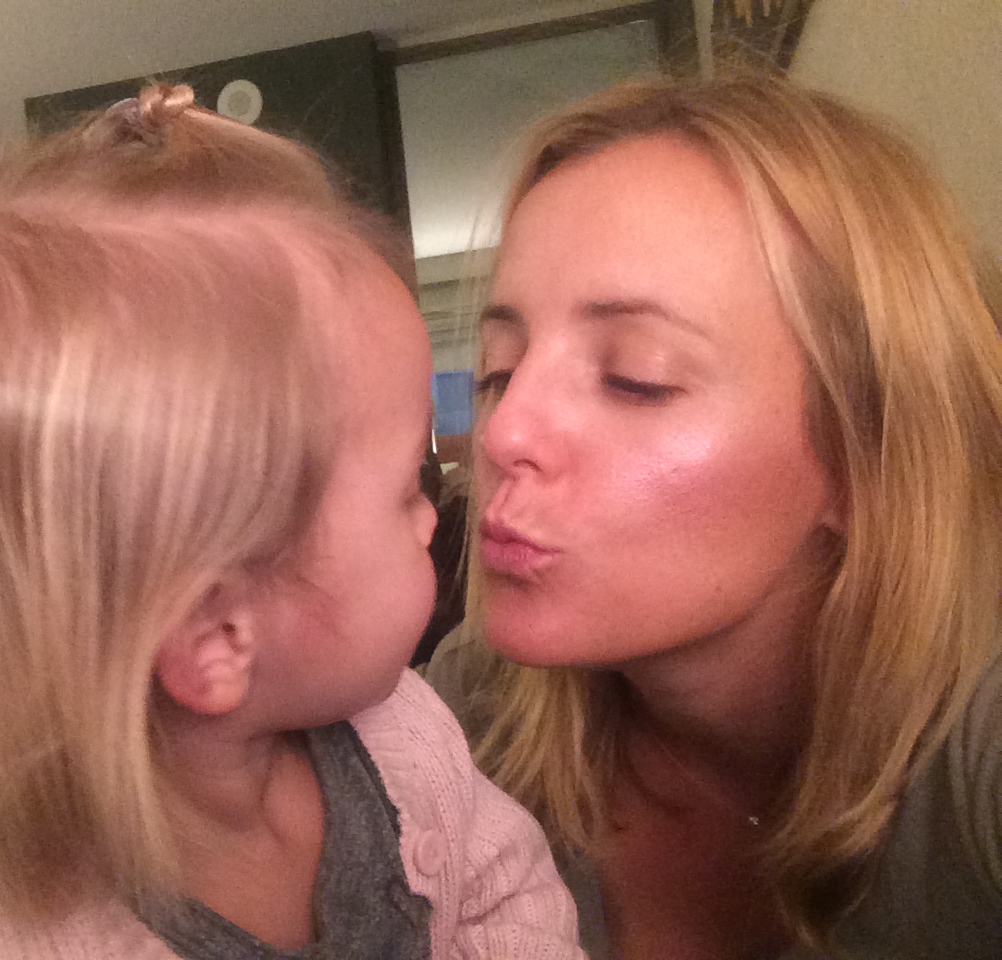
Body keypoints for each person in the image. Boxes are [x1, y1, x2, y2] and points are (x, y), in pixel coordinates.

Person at [0, 85, 582, 960]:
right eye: (404, 489)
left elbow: (509, 887)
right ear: (214, 635)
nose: (433, 516)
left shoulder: (406, 735)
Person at [425, 73, 1002, 960]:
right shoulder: (467, 712)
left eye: (635, 377)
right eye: (500, 369)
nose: (501, 433)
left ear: (868, 458)